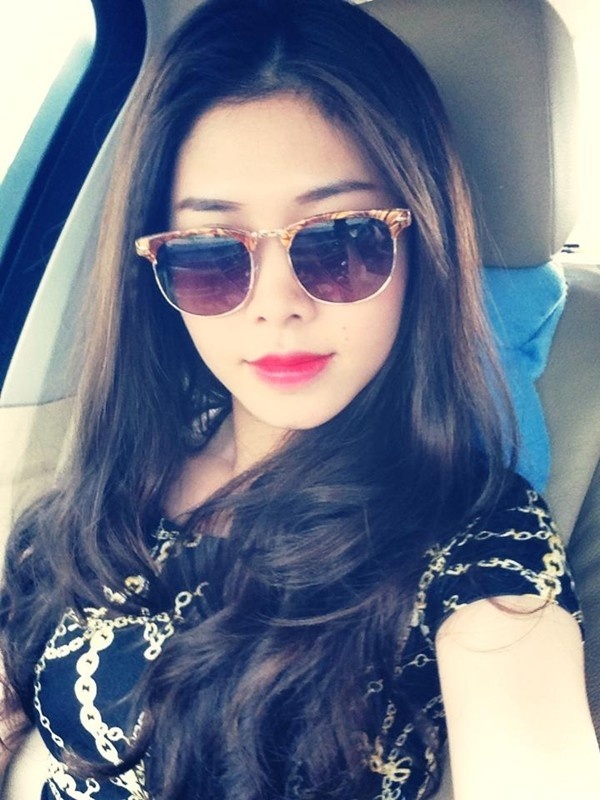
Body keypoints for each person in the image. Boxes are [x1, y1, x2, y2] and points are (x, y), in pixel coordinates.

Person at [1, 0, 599, 797]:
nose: (276, 306)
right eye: (211, 253)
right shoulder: (127, 463)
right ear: (156, 269)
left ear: (421, 244)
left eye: (341, 240)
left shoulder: (475, 537)